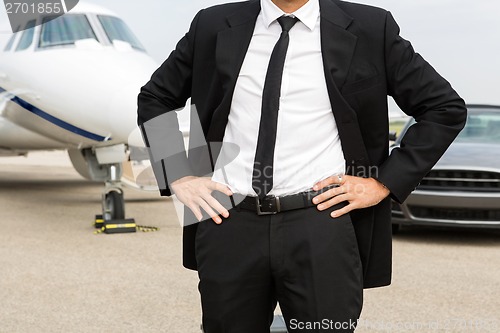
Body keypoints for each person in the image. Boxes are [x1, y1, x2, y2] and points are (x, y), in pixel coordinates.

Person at [137, 0, 466, 331]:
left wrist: (382, 183)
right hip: (229, 222)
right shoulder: (213, 24)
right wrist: (177, 172)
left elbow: (443, 108)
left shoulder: (370, 27)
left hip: (322, 222)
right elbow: (156, 97)